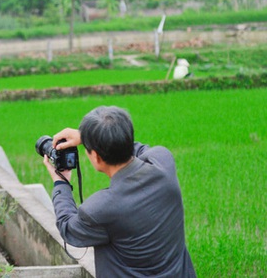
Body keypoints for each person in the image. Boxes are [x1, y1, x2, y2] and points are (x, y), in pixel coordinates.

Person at [43, 106, 196, 278]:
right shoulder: (163, 162)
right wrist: (90, 137)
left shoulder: (100, 208)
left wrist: (61, 181)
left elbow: (68, 228)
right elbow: (134, 148)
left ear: (96, 157)